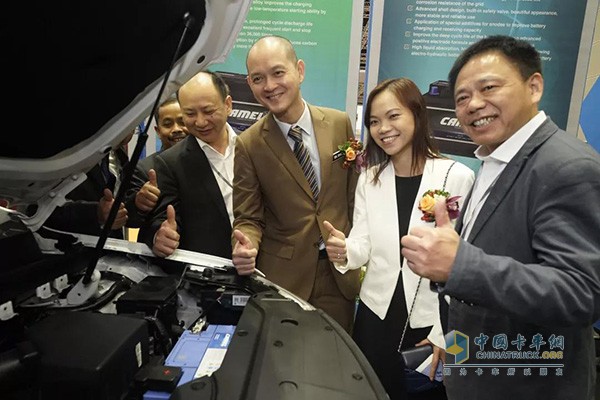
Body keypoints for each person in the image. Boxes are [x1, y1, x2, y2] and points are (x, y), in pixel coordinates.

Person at [401, 35, 600, 400]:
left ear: (534, 86)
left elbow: (581, 293)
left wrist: (460, 265)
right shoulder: (494, 158)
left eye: (489, 87)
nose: (474, 104)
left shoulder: (566, 167)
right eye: (462, 97)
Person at [324, 78, 474, 399]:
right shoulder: (370, 179)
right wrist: (342, 250)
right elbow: (362, 245)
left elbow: (467, 265)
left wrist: (449, 335)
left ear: (417, 115)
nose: (383, 128)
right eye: (374, 121)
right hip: (376, 316)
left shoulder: (456, 176)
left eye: (393, 116)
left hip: (433, 320)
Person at [231, 35, 361, 333]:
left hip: (338, 270)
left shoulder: (339, 122)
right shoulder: (249, 144)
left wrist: (356, 247)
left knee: (337, 362)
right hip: (284, 279)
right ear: (250, 84)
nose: (270, 86)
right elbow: (248, 217)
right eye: (258, 78)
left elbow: (354, 196)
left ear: (299, 70)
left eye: (278, 73)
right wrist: (245, 244)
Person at [138, 70, 236, 260]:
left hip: (262, 268)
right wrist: (161, 236)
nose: (200, 122)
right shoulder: (170, 163)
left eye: (208, 111)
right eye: (189, 114)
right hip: (208, 276)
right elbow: (163, 219)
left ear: (228, 105)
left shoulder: (252, 146)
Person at [124, 96, 188, 234]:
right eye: (167, 124)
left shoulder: (208, 162)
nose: (176, 129)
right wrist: (139, 204)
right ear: (158, 131)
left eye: (182, 122)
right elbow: (130, 220)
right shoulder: (143, 169)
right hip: (156, 251)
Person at [43, 137, 130, 238]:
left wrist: (139, 204)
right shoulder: (60, 153)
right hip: (63, 247)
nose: (127, 135)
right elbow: (36, 210)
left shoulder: (118, 155)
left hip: (110, 248)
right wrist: (95, 213)